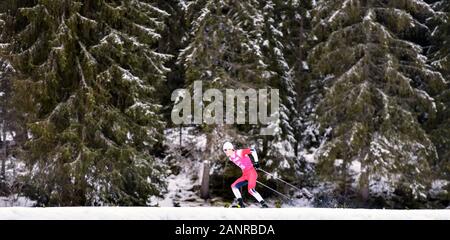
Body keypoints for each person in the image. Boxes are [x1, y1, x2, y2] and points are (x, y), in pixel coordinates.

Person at [223, 141, 268, 208]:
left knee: (250, 190)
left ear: (230, 149)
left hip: (251, 173)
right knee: (233, 186)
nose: (225, 152)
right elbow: (244, 161)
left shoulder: (239, 152)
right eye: (224, 150)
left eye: (226, 150)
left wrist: (256, 162)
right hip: (245, 175)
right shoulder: (231, 158)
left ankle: (264, 204)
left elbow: (253, 151)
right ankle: (241, 204)